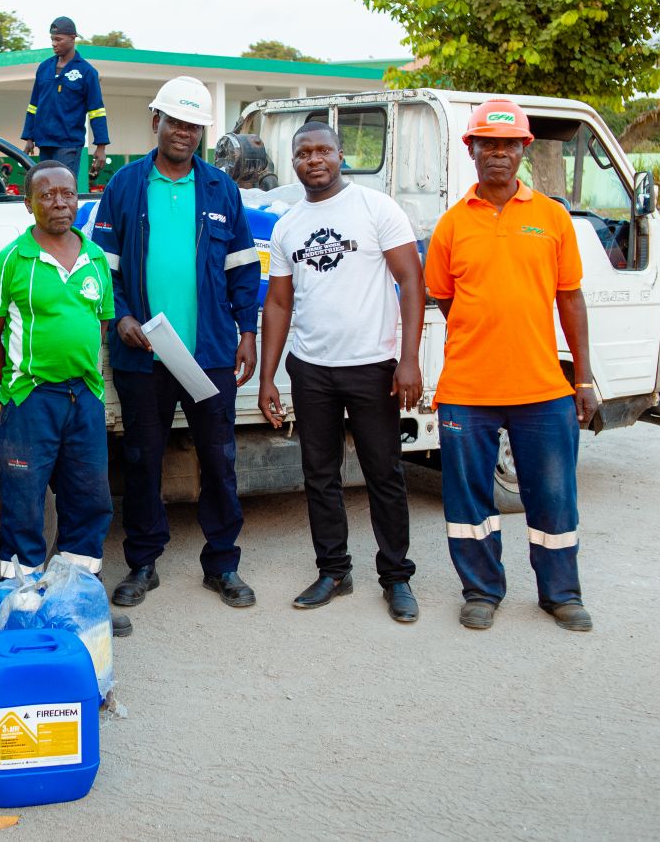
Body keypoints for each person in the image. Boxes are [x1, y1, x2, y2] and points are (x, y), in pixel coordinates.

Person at [424, 98, 600, 633]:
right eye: (487, 144)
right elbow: (445, 298)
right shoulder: (451, 226)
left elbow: (569, 298)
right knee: (469, 499)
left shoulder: (552, 218)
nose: (497, 153)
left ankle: (561, 594)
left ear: (524, 149)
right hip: (467, 390)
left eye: (508, 144)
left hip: (542, 388)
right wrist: (487, 331)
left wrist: (584, 377)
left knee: (553, 497)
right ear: (471, 149)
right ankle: (481, 590)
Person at [91, 76, 261, 610]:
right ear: (155, 121)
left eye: (194, 126)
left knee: (219, 457)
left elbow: (241, 267)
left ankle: (223, 564)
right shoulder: (124, 186)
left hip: (208, 354)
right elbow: (105, 268)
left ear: (202, 133)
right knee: (143, 459)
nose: (184, 133)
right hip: (144, 355)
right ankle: (143, 564)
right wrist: (120, 318)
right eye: (175, 122)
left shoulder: (220, 189)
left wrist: (247, 332)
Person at [257, 122, 425, 623]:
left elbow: (411, 282)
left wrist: (409, 359)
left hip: (372, 366)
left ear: (340, 154)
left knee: (384, 474)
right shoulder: (287, 225)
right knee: (320, 475)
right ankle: (334, 571)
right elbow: (279, 304)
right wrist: (268, 378)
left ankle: (396, 578)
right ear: (294, 162)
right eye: (304, 153)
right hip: (311, 370)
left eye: (323, 150)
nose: (314, 160)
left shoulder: (376, 208)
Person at [0, 160, 131, 637]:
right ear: (28, 203)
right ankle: (22, 609)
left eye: (68, 194)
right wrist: (18, 388)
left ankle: (79, 601)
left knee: (90, 499)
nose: (60, 202)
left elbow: (100, 326)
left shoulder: (96, 260)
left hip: (83, 397)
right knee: (23, 503)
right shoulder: (9, 262)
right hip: (30, 401)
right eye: (47, 195)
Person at [21, 16, 110, 185]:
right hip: (44, 143)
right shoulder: (44, 68)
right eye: (52, 39)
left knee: (62, 188)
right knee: (45, 188)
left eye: (58, 39)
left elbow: (97, 111)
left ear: (72, 38)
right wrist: (29, 137)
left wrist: (101, 146)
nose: (54, 43)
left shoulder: (87, 72)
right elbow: (33, 105)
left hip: (68, 145)